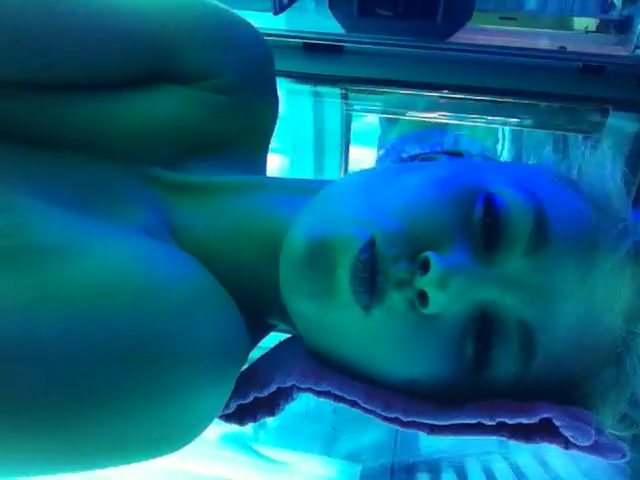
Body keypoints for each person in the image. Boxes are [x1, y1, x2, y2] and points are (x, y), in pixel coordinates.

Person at [0, 0, 638, 477]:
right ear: (440, 155)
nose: (441, 282)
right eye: (492, 224)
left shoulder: (169, 369)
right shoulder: (216, 63)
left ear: (418, 400)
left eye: (483, 339)